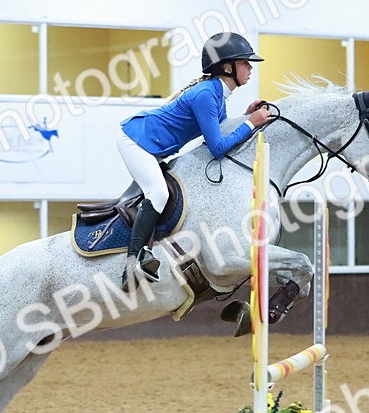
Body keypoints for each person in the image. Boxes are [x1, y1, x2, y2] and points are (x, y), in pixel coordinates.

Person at [116, 31, 271, 290]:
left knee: (159, 192)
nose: (250, 68)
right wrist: (249, 123)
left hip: (149, 144)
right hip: (135, 140)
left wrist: (245, 117)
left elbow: (218, 132)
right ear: (226, 67)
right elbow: (218, 148)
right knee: (158, 193)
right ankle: (133, 264)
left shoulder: (216, 94)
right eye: (245, 62)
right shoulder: (206, 95)